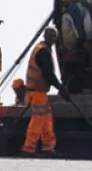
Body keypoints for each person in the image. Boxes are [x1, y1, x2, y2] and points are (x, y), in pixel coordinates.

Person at [22, 27, 71, 157]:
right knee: (37, 121)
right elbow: (48, 73)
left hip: (40, 92)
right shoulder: (43, 51)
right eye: (51, 36)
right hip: (37, 92)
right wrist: (61, 88)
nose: (53, 39)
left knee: (46, 121)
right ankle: (28, 148)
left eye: (55, 37)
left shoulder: (42, 48)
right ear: (46, 37)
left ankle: (48, 148)